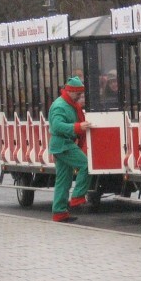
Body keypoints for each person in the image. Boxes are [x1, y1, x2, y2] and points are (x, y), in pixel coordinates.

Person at [48, 76, 92, 222]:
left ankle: (59, 212)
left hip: (61, 145)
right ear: (71, 91)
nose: (80, 96)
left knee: (63, 180)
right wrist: (78, 127)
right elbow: (57, 126)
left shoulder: (67, 103)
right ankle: (78, 196)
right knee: (86, 165)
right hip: (63, 144)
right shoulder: (60, 106)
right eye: (78, 94)